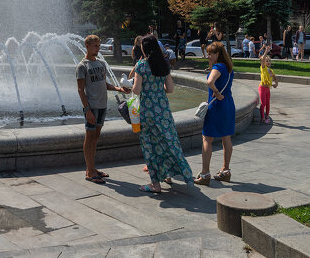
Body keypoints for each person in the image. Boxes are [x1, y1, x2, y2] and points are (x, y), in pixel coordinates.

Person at [132, 34, 193, 193]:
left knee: (150, 146)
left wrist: (137, 86)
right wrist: (158, 89)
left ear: (144, 49)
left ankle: (155, 184)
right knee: (168, 141)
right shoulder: (164, 64)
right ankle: (169, 175)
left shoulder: (141, 65)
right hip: (163, 110)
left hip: (148, 111)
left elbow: (136, 90)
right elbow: (170, 89)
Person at [76, 35, 128, 185]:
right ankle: (89, 171)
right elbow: (80, 90)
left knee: (96, 137)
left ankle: (93, 167)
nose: (98, 49)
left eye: (98, 46)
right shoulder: (82, 66)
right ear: (87, 46)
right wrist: (87, 110)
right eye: (95, 46)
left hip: (102, 105)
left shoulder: (100, 64)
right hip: (91, 107)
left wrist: (119, 88)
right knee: (89, 136)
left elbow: (104, 83)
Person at [194, 42, 235, 185]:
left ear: (218, 54)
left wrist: (216, 93)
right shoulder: (229, 68)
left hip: (217, 106)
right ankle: (226, 171)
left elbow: (210, 81)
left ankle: (205, 174)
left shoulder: (218, 67)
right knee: (226, 138)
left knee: (207, 138)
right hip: (228, 104)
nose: (208, 56)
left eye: (211, 53)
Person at [259, 51, 278, 124]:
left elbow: (275, 78)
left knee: (268, 103)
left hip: (268, 89)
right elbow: (263, 59)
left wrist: (276, 83)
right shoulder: (263, 68)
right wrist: (266, 51)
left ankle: (267, 116)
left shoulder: (271, 71)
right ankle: (262, 118)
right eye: (267, 61)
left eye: (269, 61)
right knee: (263, 103)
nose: (268, 62)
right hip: (262, 88)